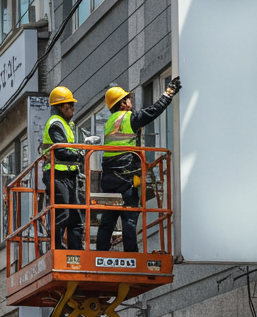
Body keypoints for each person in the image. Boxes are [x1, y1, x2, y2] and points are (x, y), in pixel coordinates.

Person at [95, 77, 182, 252]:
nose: (131, 101)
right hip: (126, 176)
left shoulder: (109, 123)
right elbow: (152, 112)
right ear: (122, 104)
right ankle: (131, 255)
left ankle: (100, 254)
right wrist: (168, 94)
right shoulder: (128, 119)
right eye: (128, 99)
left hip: (110, 178)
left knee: (109, 218)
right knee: (129, 217)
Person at [42, 86, 86, 250]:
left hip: (68, 175)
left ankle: (76, 249)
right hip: (56, 175)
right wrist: (79, 155)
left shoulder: (67, 125)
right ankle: (57, 248)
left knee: (75, 217)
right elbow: (60, 150)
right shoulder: (55, 124)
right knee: (63, 213)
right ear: (61, 106)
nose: (73, 109)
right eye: (70, 105)